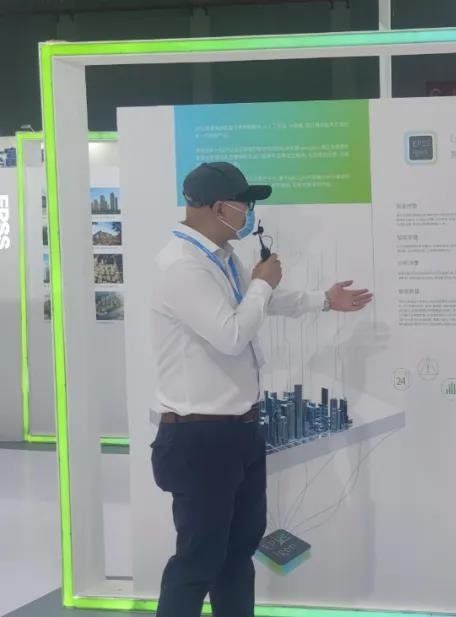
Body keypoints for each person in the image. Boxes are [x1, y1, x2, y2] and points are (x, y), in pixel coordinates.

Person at [150, 162, 374, 617]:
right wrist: (261, 283)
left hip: (239, 431)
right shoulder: (181, 266)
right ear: (219, 208)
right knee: (198, 561)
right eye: (245, 204)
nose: (249, 212)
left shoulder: (220, 256)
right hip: (199, 438)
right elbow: (232, 333)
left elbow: (259, 302)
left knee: (237, 556)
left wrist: (323, 300)